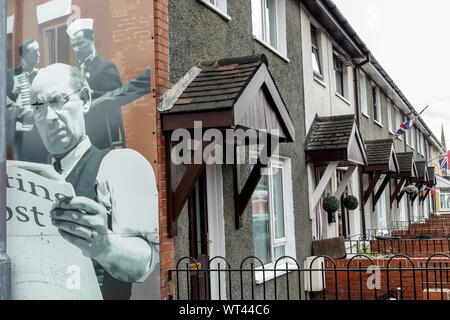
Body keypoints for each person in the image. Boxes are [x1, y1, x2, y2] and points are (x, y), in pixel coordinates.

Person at [29, 63, 159, 300]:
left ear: (86, 100)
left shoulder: (120, 165)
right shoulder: (30, 182)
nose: (49, 117)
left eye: (58, 101)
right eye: (38, 107)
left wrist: (106, 246)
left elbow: (144, 262)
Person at [66, 18, 125, 150]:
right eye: (73, 45)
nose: (76, 49)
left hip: (104, 134)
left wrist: (90, 94)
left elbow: (116, 96)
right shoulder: (74, 71)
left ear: (91, 38)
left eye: (80, 43)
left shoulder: (106, 67)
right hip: (82, 138)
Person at [6, 38, 48, 163]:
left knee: (43, 167)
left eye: (39, 50)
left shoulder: (42, 74)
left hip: (40, 133)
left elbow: (46, 100)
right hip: (21, 134)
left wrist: (33, 108)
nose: (39, 54)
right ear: (24, 55)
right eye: (35, 52)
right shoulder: (10, 74)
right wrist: (15, 95)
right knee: (23, 169)